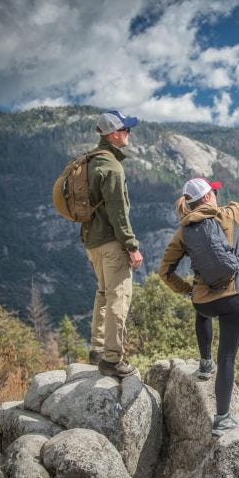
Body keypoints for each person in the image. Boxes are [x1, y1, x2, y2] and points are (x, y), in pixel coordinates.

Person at [159, 174, 239, 436]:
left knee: (201, 310)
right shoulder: (230, 215)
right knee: (227, 356)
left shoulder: (183, 232)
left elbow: (165, 272)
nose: (217, 195)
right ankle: (222, 419)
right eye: (214, 192)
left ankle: (205, 364)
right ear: (208, 197)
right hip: (234, 300)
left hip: (204, 304)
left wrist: (188, 290)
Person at [85, 110, 143, 378]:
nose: (128, 134)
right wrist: (131, 246)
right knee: (119, 299)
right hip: (111, 244)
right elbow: (118, 214)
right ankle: (112, 359)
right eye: (126, 130)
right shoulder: (112, 168)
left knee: (103, 294)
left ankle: (97, 350)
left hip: (92, 243)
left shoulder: (90, 161)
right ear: (113, 134)